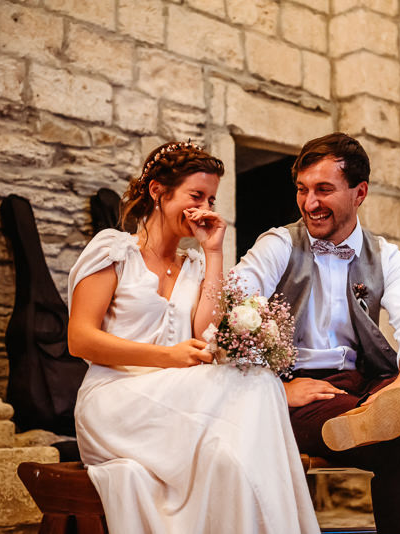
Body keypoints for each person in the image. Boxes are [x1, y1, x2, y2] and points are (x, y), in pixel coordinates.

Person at [235, 132, 400, 534]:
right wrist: (275, 389)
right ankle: (380, 422)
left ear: (359, 192)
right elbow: (229, 312)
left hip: (364, 387)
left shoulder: (385, 255)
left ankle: (379, 417)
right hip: (301, 394)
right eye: (303, 190)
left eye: (324, 190)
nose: (310, 203)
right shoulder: (278, 244)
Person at [67, 141, 319, 534]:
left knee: (232, 455)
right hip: (113, 401)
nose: (205, 207)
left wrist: (214, 251)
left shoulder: (195, 265)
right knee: (255, 387)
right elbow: (80, 340)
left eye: (212, 199)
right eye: (195, 195)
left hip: (177, 397)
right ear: (157, 191)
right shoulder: (115, 251)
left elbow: (206, 333)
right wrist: (167, 357)